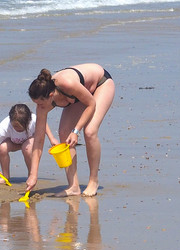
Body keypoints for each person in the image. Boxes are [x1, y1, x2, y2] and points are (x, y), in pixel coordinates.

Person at [26, 63, 116, 197]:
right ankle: (73, 186)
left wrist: (76, 131)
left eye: (40, 103)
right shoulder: (42, 105)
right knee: (63, 133)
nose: (38, 107)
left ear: (51, 95)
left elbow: (91, 104)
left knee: (89, 131)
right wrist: (33, 175)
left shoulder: (67, 84)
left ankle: (93, 181)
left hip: (100, 84)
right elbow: (38, 140)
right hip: (80, 95)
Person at [0, 103, 57, 185]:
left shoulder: (33, 119)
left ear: (28, 122)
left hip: (29, 141)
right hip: (14, 142)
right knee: (3, 148)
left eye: (19, 126)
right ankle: (5, 177)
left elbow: (44, 124)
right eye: (14, 126)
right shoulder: (5, 125)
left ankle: (31, 175)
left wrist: (52, 138)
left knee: (27, 148)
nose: (16, 128)